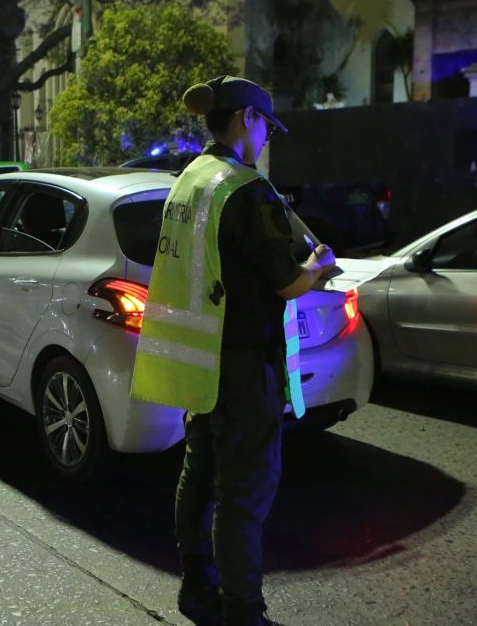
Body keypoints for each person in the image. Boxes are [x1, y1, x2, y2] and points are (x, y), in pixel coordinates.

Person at [131, 76, 336, 626]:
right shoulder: (246, 188)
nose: (267, 135)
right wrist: (319, 267)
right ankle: (244, 613)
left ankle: (198, 592)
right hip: (243, 367)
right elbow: (287, 282)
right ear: (248, 118)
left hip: (199, 363)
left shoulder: (190, 180)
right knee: (244, 494)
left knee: (199, 478)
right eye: (267, 124)